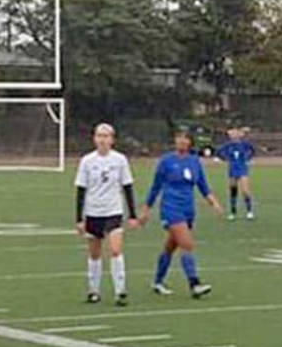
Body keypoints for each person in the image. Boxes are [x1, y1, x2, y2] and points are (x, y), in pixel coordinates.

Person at [139, 130, 224, 298]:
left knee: (171, 246)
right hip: (171, 207)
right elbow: (156, 186)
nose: (182, 141)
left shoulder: (194, 161)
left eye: (185, 139)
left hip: (188, 209)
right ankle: (194, 284)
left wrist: (213, 202)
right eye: (179, 138)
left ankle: (157, 281)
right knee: (187, 244)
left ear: (190, 142)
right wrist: (146, 209)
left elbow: (202, 185)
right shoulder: (166, 161)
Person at [74, 123, 140, 306]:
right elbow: (81, 189)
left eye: (106, 136)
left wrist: (132, 215)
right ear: (94, 139)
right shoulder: (87, 161)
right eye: (99, 136)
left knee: (115, 249)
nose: (102, 140)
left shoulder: (120, 160)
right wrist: (79, 219)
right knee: (95, 254)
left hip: (113, 211)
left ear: (112, 139)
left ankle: (120, 291)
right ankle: (93, 291)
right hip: (93, 212)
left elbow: (127, 186)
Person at [216, 126, 256, 220]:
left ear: (238, 135)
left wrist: (247, 158)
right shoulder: (228, 145)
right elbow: (218, 152)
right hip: (232, 169)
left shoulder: (244, 144)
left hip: (242, 169)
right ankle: (233, 212)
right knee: (233, 190)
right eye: (231, 134)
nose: (233, 136)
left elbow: (252, 150)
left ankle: (249, 211)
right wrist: (225, 159)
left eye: (234, 134)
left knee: (245, 191)